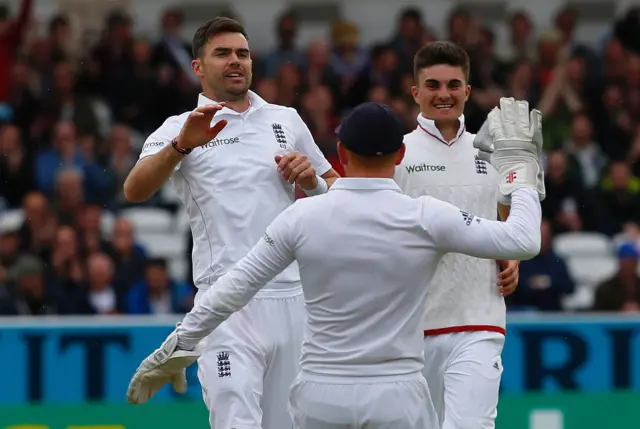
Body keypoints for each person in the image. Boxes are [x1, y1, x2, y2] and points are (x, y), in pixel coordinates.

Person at [126, 99, 545, 429]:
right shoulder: (425, 216)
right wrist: (519, 169)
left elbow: (233, 288)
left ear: (341, 152)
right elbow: (522, 240)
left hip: (322, 397)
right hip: (397, 396)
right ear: (400, 155)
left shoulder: (302, 217)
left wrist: (180, 344)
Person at [122, 17, 339, 429]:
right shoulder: (178, 127)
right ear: (198, 68)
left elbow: (339, 194)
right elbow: (135, 189)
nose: (235, 61)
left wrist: (312, 181)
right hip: (224, 303)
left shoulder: (286, 119)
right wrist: (182, 145)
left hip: (293, 299)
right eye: (222, 54)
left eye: (242, 53)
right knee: (235, 420)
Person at [392, 41, 529, 429]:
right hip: (410, 329)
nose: (443, 94)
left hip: (480, 320)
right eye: (432, 85)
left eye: (453, 84)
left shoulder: (491, 153)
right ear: (415, 91)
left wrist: (512, 256)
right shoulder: (396, 154)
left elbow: (508, 218)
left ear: (467, 91)